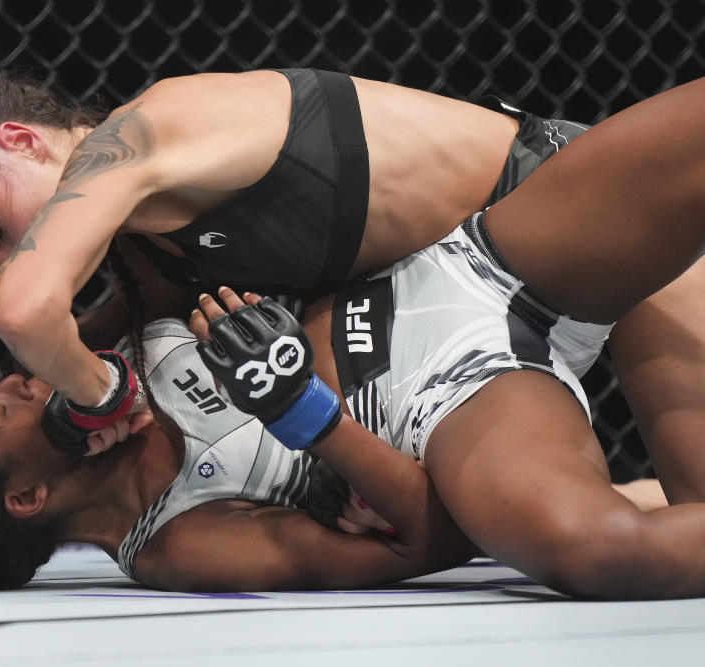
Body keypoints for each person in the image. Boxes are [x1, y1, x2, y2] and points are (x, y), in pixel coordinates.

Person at [190, 73, 705, 600]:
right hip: (439, 402)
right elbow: (430, 544)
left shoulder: (123, 292)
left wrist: (102, 402)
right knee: (605, 552)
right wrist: (302, 412)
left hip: (462, 249)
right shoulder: (164, 542)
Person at [0, 69, 586, 423]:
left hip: (566, 202)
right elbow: (99, 334)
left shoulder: (135, 140)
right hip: (489, 303)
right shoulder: (146, 246)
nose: (9, 259)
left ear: (21, 139)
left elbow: (24, 314)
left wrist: (104, 400)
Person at [0, 318, 475, 591]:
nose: (14, 383)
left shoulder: (84, 368)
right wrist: (299, 407)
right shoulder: (179, 544)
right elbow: (423, 543)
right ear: (25, 496)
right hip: (474, 389)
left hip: (426, 270)